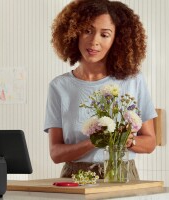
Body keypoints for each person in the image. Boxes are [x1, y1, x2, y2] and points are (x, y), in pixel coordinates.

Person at [44, 0, 157, 180]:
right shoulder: (59, 87)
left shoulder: (133, 81)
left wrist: (127, 141)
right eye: (87, 31)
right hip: (75, 178)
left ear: (117, 40)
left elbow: (150, 142)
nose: (94, 41)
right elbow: (56, 153)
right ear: (74, 33)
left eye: (105, 34)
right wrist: (93, 142)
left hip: (123, 176)